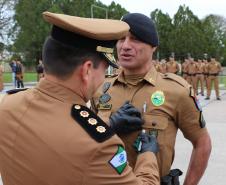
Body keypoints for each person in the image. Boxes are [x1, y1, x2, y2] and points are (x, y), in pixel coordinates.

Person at [0, 11, 160, 185]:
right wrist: (147, 155)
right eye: (105, 68)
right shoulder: (101, 146)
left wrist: (108, 125)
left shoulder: (7, 105)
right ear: (87, 70)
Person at [92, 13, 211, 185]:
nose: (125, 46)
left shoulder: (176, 91)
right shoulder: (101, 88)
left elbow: (202, 142)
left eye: (135, 39)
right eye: (121, 39)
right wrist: (109, 126)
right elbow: (86, 141)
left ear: (153, 46)